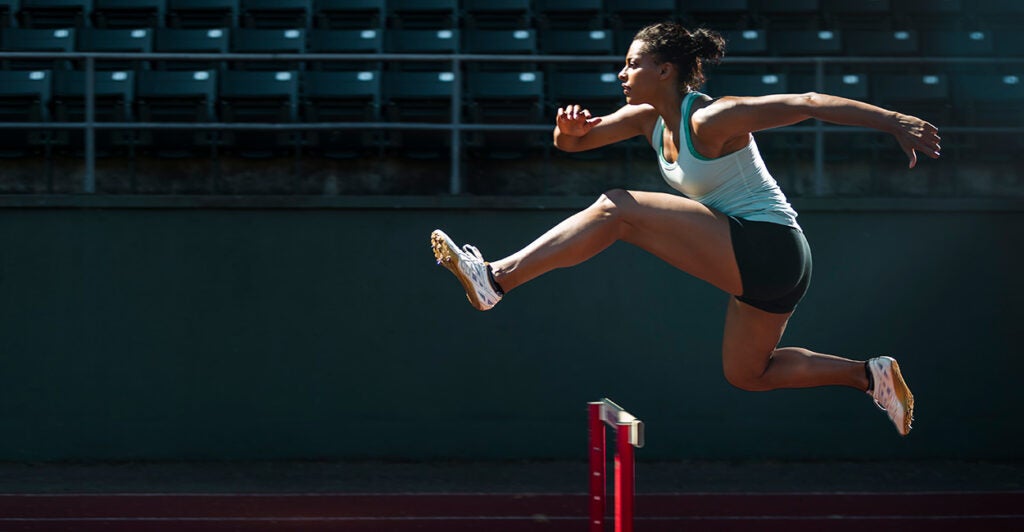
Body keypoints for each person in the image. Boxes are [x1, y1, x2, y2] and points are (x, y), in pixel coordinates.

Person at [430, 22, 940, 436]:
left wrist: (895, 120)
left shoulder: (715, 118)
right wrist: (566, 131)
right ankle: (867, 375)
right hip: (767, 265)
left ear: (666, 69)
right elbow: (574, 147)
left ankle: (495, 278)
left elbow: (807, 101)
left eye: (633, 63)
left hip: (770, 247)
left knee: (616, 209)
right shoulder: (645, 119)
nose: (622, 72)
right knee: (748, 374)